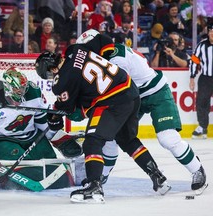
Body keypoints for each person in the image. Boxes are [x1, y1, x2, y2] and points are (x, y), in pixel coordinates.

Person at [75, 29, 207, 195]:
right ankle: (101, 178)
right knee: (111, 138)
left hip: (154, 93)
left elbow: (111, 92)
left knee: (167, 138)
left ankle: (197, 169)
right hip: (132, 97)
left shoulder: (116, 57)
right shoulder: (104, 56)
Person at [35, 49, 170, 203]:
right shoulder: (76, 50)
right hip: (130, 91)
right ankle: (158, 177)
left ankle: (94, 186)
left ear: (53, 68)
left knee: (92, 141)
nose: (52, 78)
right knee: (127, 140)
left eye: (50, 74)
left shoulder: (63, 79)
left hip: (111, 100)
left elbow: (65, 108)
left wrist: (53, 119)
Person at [0, 66, 81, 189]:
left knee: (51, 164)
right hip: (4, 140)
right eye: (18, 89)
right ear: (7, 87)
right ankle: (17, 180)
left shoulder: (33, 92)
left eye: (23, 88)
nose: (21, 92)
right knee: (26, 167)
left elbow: (42, 121)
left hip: (33, 137)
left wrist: (60, 139)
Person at [189, 23, 213, 139]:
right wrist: (192, 77)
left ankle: (203, 126)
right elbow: (194, 61)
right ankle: (202, 126)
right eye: (211, 31)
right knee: (201, 102)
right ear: (208, 33)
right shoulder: (202, 45)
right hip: (205, 78)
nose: (212, 34)